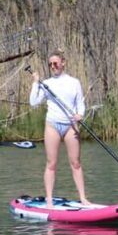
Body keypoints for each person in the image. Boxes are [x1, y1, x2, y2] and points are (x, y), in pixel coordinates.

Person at [29, 49, 91, 210]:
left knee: (76, 163)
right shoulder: (46, 84)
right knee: (52, 163)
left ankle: (83, 198)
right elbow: (33, 102)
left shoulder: (74, 82)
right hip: (53, 125)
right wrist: (35, 83)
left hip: (71, 125)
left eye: (55, 63)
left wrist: (80, 114)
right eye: (50, 64)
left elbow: (80, 103)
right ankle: (49, 199)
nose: (53, 66)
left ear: (63, 63)